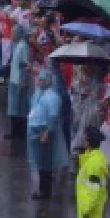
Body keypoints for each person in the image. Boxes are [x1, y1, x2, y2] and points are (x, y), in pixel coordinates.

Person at [27, 69, 68, 200]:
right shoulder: (39, 93)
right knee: (39, 162)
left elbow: (53, 116)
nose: (40, 82)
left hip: (44, 131)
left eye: (42, 80)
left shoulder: (52, 96)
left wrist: (47, 132)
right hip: (35, 131)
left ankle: (45, 191)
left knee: (45, 163)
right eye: (39, 79)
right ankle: (41, 189)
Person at [75, 128, 110, 218]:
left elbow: (94, 188)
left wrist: (88, 209)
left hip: (91, 208)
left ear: (89, 142)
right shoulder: (93, 158)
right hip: (88, 206)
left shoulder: (94, 163)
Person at [6, 24, 31, 138]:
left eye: (14, 32)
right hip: (14, 79)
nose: (12, 34)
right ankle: (14, 131)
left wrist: (24, 80)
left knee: (18, 107)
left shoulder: (23, 46)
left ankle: (17, 132)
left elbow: (25, 65)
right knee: (14, 107)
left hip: (18, 80)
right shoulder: (17, 45)